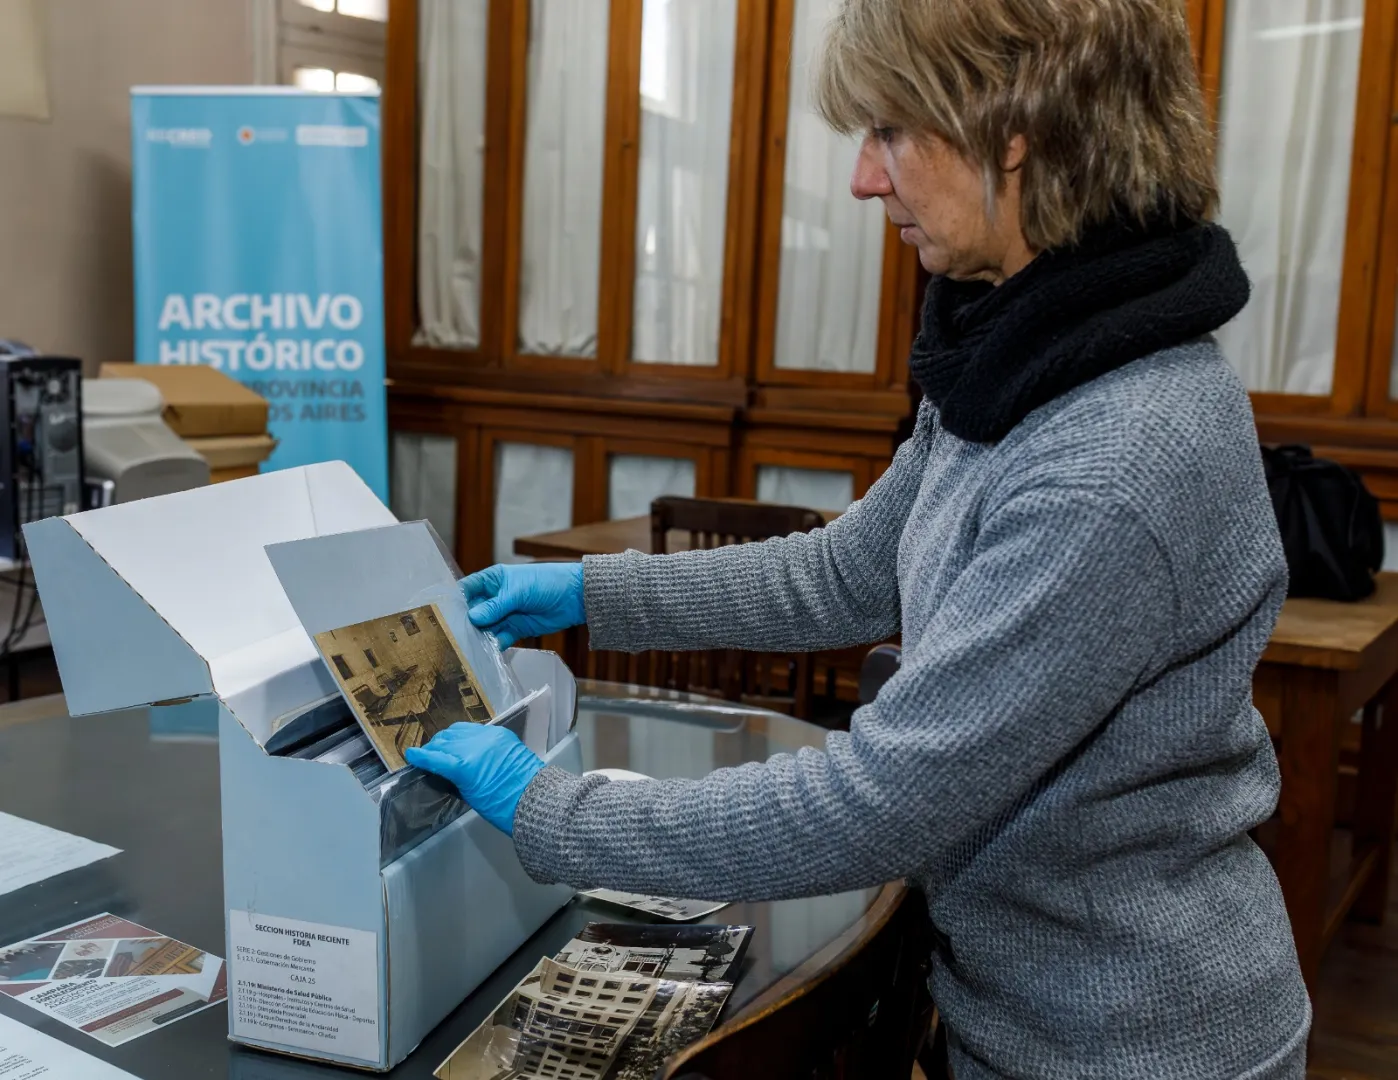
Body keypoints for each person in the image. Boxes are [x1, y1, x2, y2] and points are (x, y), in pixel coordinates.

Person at [403, 0, 1310, 1075]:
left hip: (1132, 1044)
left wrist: (552, 811)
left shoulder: (1111, 453)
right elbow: (847, 570)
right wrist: (593, 593)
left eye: (889, 131)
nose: (862, 179)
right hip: (1020, 1013)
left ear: (1012, 132)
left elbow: (879, 802)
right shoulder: (1022, 351)